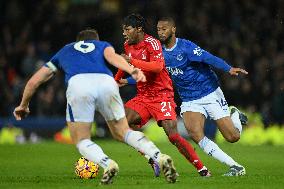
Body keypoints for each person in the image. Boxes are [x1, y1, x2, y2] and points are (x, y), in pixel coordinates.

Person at [13, 29, 178, 184]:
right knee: (123, 132)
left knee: (81, 139)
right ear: (96, 41)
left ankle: (107, 163)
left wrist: (23, 105)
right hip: (106, 82)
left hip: (79, 84)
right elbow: (113, 58)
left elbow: (35, 81)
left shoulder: (66, 50)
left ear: (78, 41)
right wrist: (131, 70)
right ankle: (159, 155)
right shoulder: (103, 45)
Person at [115, 13, 210, 177]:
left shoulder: (153, 43)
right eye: (123, 30)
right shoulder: (127, 45)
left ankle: (202, 169)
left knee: (173, 136)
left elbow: (158, 67)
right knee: (120, 125)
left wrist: (133, 63)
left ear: (139, 29)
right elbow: (125, 64)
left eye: (127, 29)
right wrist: (116, 80)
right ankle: (152, 157)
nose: (124, 33)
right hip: (143, 96)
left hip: (161, 95)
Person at [156, 17, 248, 176]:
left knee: (232, 137)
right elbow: (149, 72)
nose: (161, 32)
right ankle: (235, 167)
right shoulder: (159, 53)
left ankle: (235, 115)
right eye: (158, 29)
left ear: (173, 29)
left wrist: (228, 68)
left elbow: (207, 57)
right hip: (189, 100)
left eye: (164, 29)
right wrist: (127, 79)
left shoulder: (186, 47)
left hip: (209, 92)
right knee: (196, 134)